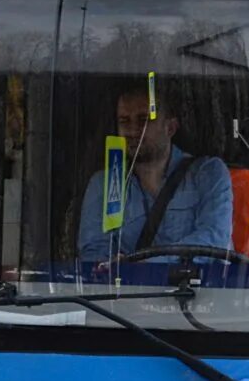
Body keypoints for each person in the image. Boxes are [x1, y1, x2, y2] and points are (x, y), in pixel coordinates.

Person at [77, 84, 234, 266]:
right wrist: (109, 267)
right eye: (124, 121)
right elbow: (94, 254)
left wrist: (141, 266)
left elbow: (213, 241)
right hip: (129, 294)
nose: (133, 131)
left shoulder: (208, 174)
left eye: (144, 120)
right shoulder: (104, 184)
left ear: (170, 128)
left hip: (200, 292)